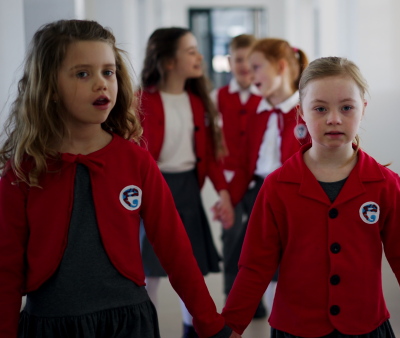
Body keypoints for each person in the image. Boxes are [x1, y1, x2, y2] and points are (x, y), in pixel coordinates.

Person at [0, 19, 237, 338]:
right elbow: (6, 264)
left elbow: (175, 249)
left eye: (108, 72)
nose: (101, 84)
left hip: (129, 323)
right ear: (50, 88)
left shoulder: (135, 160)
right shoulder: (25, 168)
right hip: (51, 324)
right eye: (82, 73)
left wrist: (209, 322)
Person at [222, 57, 400, 338]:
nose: (334, 118)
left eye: (347, 107)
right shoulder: (277, 186)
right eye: (320, 108)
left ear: (363, 110)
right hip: (295, 329)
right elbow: (254, 266)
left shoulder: (385, 185)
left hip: (366, 328)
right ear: (301, 113)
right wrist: (232, 326)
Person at [137, 27, 234, 337]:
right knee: (145, 272)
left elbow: (212, 154)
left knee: (190, 271)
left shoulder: (199, 102)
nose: (199, 56)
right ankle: (142, 329)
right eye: (191, 50)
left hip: (188, 191)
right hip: (152, 192)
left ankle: (193, 330)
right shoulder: (140, 100)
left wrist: (224, 193)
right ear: (167, 62)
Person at [226, 38, 311, 313]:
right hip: (259, 197)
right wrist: (229, 199)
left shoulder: (307, 112)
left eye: (257, 67)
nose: (250, 75)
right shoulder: (255, 111)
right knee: (251, 264)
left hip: (295, 200)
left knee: (289, 271)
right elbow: (244, 164)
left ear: (281, 66)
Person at [209, 34, 266, 316]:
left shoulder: (266, 95)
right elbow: (212, 144)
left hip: (261, 178)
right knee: (232, 236)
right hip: (231, 179)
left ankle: (258, 297)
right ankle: (232, 298)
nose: (245, 66)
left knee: (261, 239)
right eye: (239, 59)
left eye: (250, 60)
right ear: (230, 62)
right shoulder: (217, 97)